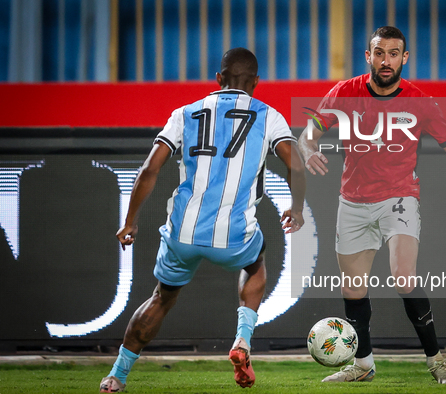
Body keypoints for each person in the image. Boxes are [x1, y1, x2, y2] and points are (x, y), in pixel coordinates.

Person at [100, 47, 306, 392]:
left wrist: (130, 220)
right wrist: (296, 207)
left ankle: (116, 377)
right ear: (256, 82)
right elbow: (296, 165)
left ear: (217, 79)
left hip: (184, 230)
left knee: (161, 298)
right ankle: (242, 340)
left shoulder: (185, 112)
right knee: (256, 264)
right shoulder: (269, 116)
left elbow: (151, 167)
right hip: (234, 235)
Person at [298, 26, 446, 384]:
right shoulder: (344, 92)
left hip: (399, 198)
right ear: (368, 56)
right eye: (379, 52)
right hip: (352, 204)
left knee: (404, 276)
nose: (386, 60)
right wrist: (308, 151)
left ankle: (436, 361)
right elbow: (307, 135)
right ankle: (363, 365)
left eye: (393, 53)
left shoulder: (420, 101)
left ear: (404, 58)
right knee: (353, 290)